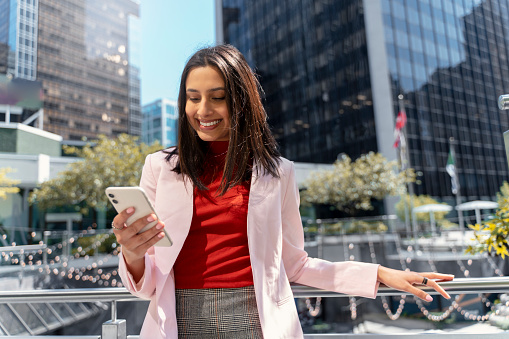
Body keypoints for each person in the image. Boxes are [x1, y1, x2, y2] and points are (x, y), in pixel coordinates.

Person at [112, 44, 453, 339]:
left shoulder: (279, 173)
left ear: (241, 101)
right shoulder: (160, 167)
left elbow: (295, 264)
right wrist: (132, 254)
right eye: (193, 98)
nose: (202, 111)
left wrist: (378, 274)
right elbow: (147, 285)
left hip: (257, 320)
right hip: (178, 320)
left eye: (217, 98)